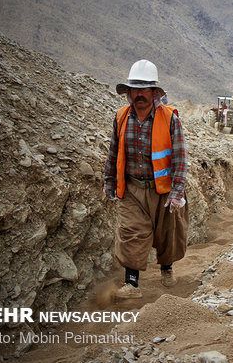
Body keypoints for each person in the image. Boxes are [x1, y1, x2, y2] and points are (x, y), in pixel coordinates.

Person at [103, 59, 189, 299]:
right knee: (131, 231)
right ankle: (132, 283)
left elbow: (181, 159)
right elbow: (113, 152)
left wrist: (177, 192)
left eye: (144, 89)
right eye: (135, 89)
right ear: (128, 92)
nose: (139, 94)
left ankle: (167, 267)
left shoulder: (170, 118)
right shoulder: (121, 117)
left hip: (163, 189)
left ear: (154, 92)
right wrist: (109, 181)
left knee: (167, 233)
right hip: (132, 189)